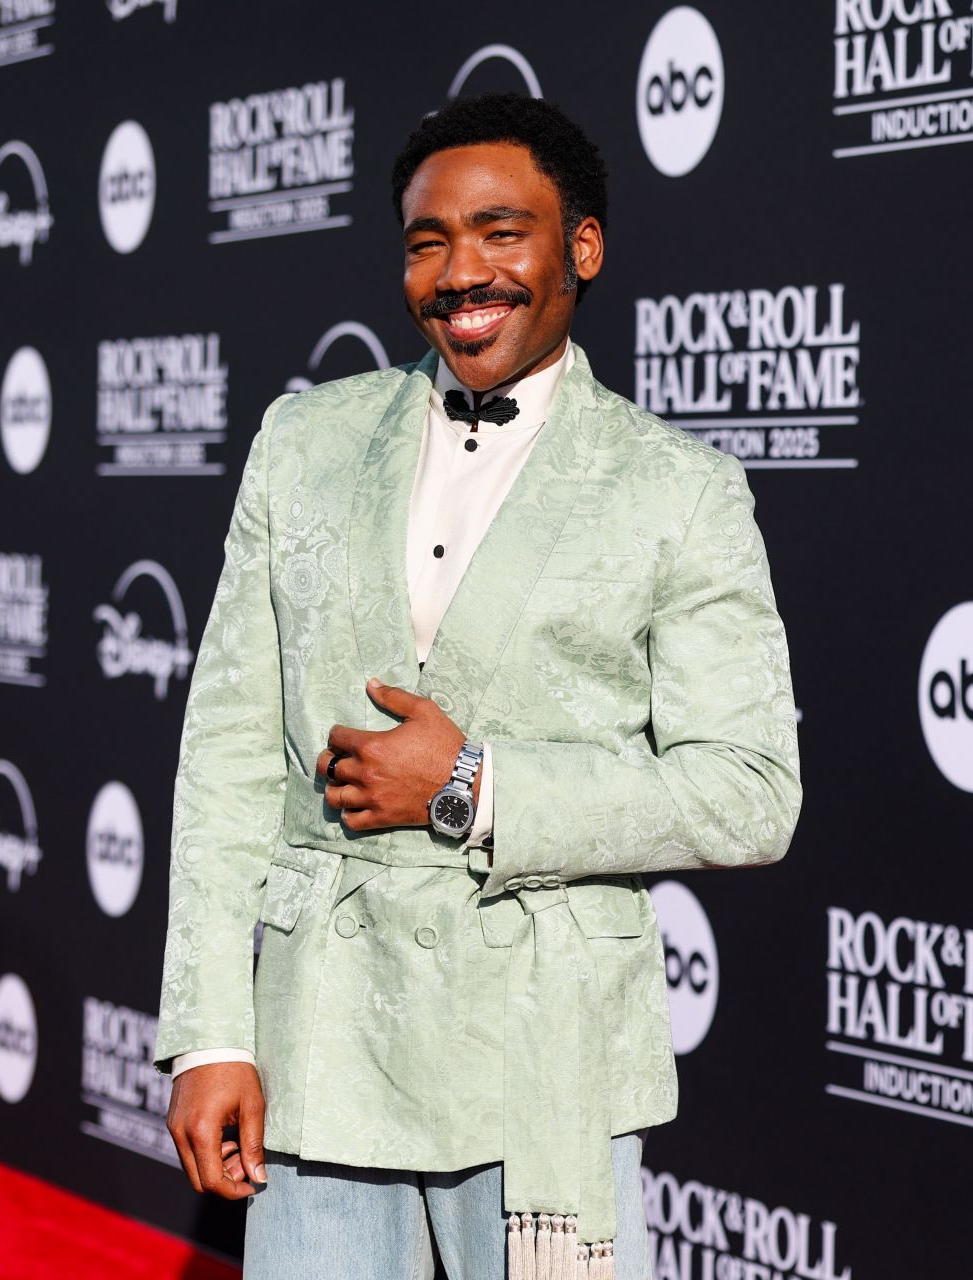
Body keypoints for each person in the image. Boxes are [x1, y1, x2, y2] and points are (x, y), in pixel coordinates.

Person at [156, 94, 801, 1280]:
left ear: (582, 249)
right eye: (426, 241)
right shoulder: (303, 441)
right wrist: (208, 1029)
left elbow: (751, 791)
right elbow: (229, 754)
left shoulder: (681, 488)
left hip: (541, 1046)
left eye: (502, 232)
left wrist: (473, 785)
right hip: (324, 1034)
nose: (461, 272)